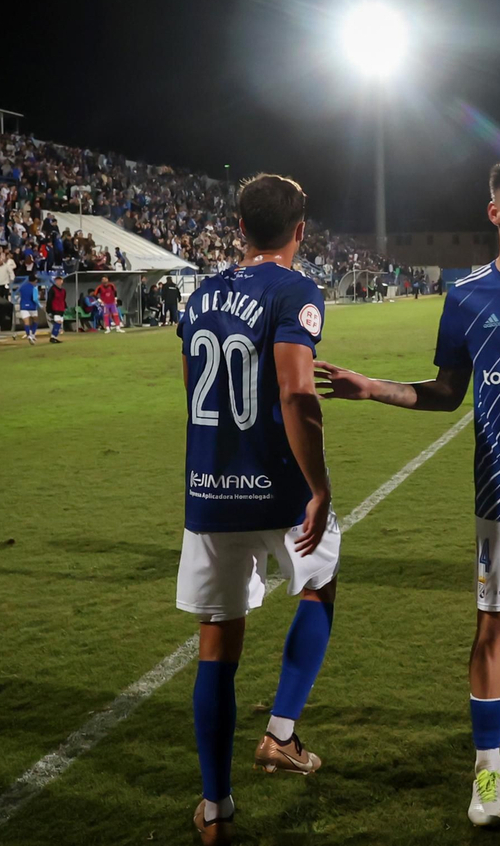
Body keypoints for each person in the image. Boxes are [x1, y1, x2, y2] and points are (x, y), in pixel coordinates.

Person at [313, 159, 500, 828]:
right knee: (493, 631)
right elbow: (448, 393)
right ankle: (489, 768)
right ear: (495, 212)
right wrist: (375, 388)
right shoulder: (468, 296)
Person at [178, 174, 338, 846]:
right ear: (300, 231)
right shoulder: (296, 290)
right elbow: (298, 392)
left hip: (209, 487)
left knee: (218, 637)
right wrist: (320, 485)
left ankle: (215, 809)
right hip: (276, 484)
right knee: (320, 585)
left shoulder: (199, 293)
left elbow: (190, 386)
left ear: (238, 225)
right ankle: (280, 732)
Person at [17, 274, 41, 344]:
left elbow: (19, 295)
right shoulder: (34, 288)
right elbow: (35, 299)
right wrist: (41, 306)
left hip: (23, 306)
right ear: (35, 280)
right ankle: (32, 334)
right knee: (36, 320)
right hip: (32, 307)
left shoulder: (22, 287)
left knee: (26, 322)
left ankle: (29, 335)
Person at [47, 276, 69, 343]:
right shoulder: (52, 289)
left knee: (59, 323)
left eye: (60, 280)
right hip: (55, 308)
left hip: (61, 308)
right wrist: (49, 310)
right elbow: (49, 300)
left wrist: (65, 307)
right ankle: (53, 337)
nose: (59, 282)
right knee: (58, 322)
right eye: (57, 280)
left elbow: (63, 299)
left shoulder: (63, 291)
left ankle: (54, 337)